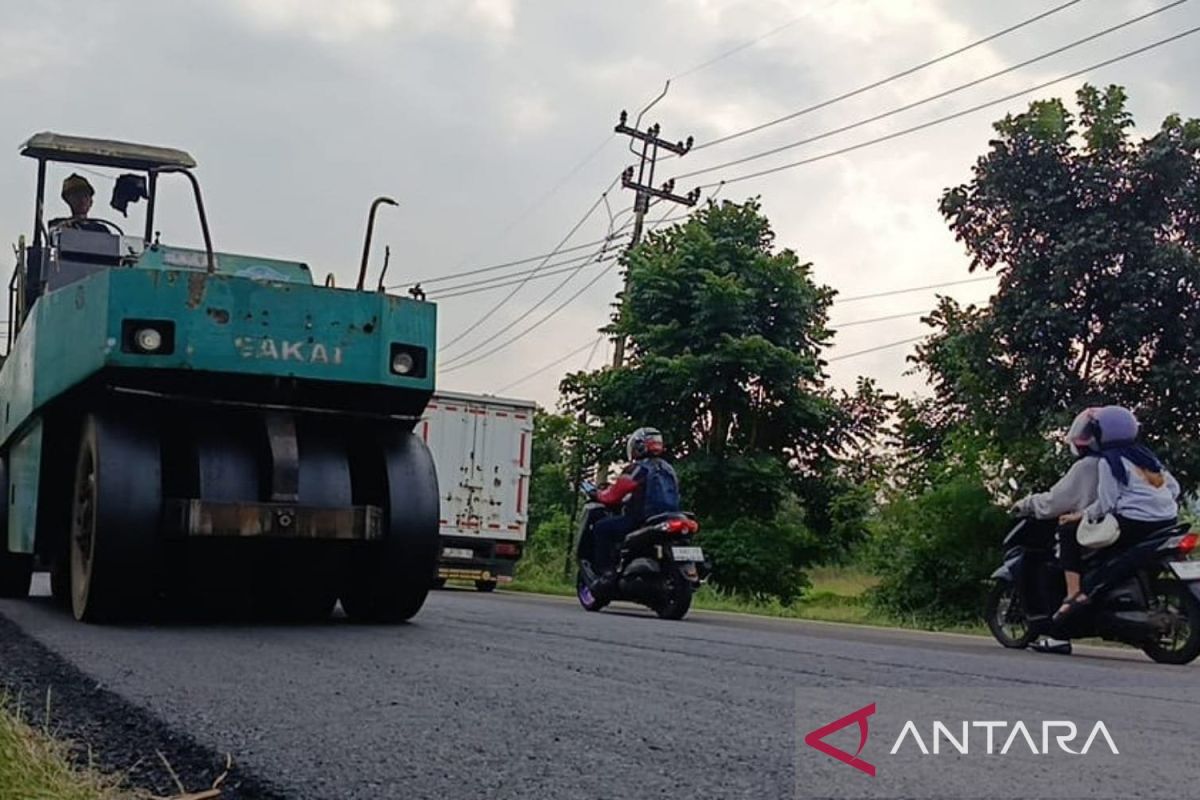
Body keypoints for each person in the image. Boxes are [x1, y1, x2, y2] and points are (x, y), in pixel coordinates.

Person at [1054, 405, 1180, 624]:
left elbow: (1106, 503)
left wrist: (1078, 516)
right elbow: (1174, 489)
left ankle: (1073, 594)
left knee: (1067, 531)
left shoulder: (1109, 461)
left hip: (1135, 523)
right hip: (1167, 520)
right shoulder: (1147, 458)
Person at [1010, 408, 1104, 654]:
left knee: (1053, 569)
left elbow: (1055, 501)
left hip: (1094, 533)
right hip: (1129, 529)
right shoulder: (1129, 461)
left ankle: (1059, 634)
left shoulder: (1087, 467)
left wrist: (1026, 503)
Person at [590, 427, 681, 592]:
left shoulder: (638, 468)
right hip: (669, 517)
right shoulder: (668, 468)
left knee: (601, 528)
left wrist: (598, 495)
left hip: (640, 519)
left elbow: (613, 496)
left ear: (638, 447)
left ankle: (607, 573)